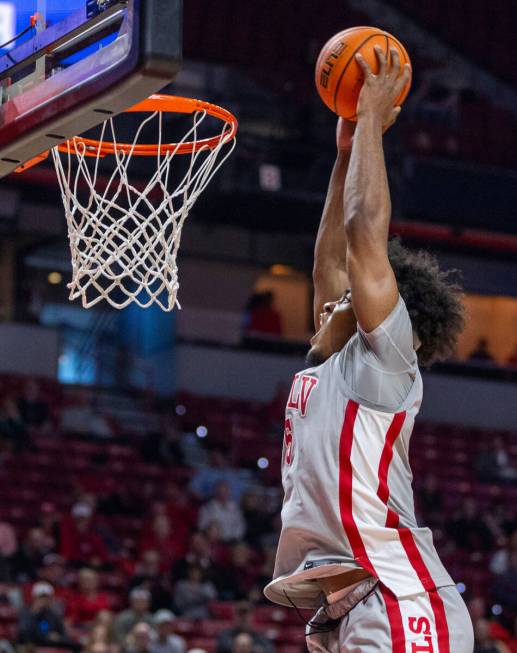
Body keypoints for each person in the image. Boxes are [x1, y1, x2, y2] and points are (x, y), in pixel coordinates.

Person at [263, 47, 473, 652]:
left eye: (350, 295)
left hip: (397, 599)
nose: (332, 298)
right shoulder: (333, 362)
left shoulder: (382, 364)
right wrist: (347, 150)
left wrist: (376, 123)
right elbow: (329, 258)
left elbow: (361, 237)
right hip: (351, 605)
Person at [17, 581, 67, 646]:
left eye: (47, 598)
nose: (44, 600)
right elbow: (23, 634)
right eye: (41, 597)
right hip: (31, 648)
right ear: (34, 597)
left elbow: (65, 636)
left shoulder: (54, 615)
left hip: (51, 647)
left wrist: (58, 638)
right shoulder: (25, 612)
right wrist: (35, 613)